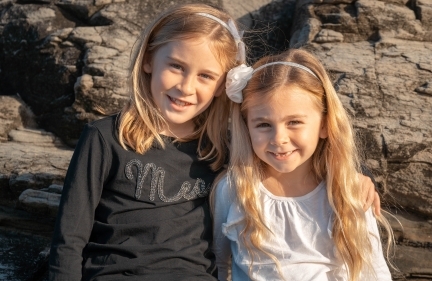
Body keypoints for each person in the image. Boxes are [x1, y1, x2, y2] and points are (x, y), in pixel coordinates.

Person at [48, 3, 381, 280]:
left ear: (223, 84)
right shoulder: (105, 138)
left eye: (206, 76)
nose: (186, 87)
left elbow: (300, 144)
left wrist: (358, 174)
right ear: (149, 60)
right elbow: (69, 238)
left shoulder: (222, 145)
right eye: (176, 66)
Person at [213, 48, 394, 281]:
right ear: (246, 126)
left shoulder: (348, 192)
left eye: (294, 122)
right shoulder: (234, 190)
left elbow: (374, 272)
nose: (279, 138)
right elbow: (218, 263)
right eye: (263, 125)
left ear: (325, 124)